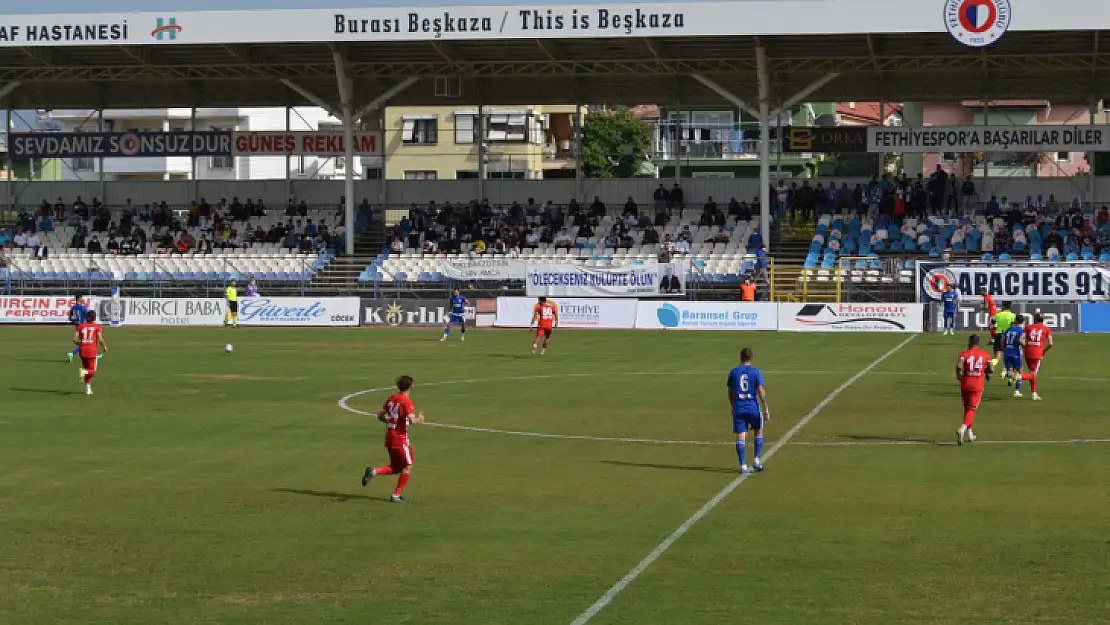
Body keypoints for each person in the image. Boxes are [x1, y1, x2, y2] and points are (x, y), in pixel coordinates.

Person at [362, 375, 424, 503]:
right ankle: (396, 495)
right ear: (411, 386)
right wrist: (420, 419)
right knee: (408, 466)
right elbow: (412, 421)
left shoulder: (391, 398)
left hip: (389, 436)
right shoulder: (406, 401)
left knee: (396, 468)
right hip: (400, 438)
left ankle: (373, 472)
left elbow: (379, 415)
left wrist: (389, 420)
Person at [726, 347, 769, 474]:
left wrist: (733, 406)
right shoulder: (756, 372)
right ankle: (756, 460)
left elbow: (730, 391)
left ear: (741, 357)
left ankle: (743, 465)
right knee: (758, 431)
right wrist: (766, 408)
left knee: (741, 435)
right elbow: (761, 391)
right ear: (752, 358)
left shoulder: (733, 372)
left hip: (739, 407)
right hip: (753, 407)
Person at [956, 334, 993, 445]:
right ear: (978, 343)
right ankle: (962, 429)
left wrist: (959, 376)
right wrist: (986, 371)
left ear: (969, 342)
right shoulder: (985, 355)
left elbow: (959, 366)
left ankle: (970, 434)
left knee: (967, 408)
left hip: (965, 383)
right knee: (972, 409)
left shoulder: (964, 354)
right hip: (977, 384)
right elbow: (991, 369)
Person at [1018, 312, 1053, 401]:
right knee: (1033, 374)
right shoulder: (1046, 329)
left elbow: (1020, 339)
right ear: (1043, 320)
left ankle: (1034, 394)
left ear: (1035, 319)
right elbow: (1050, 343)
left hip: (1028, 352)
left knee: (1032, 373)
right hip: (1037, 354)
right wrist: (1044, 351)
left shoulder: (1028, 327)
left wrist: (1025, 346)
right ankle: (1018, 377)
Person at [74, 310, 108, 396]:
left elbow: (75, 339)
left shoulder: (80, 326)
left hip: (82, 350)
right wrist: (104, 346)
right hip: (91, 350)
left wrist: (81, 344)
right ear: (94, 318)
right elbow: (100, 339)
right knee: (92, 371)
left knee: (86, 369)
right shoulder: (97, 327)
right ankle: (84, 373)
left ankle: (88, 389)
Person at [1002, 316, 1025, 397]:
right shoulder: (1021, 330)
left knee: (1011, 371)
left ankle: (1008, 373)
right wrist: (1026, 346)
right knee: (1020, 372)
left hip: (1007, 352)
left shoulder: (1009, 329)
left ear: (1015, 321)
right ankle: (1017, 391)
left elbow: (1003, 340)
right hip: (1016, 353)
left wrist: (1004, 348)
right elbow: (1021, 341)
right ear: (1022, 322)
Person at [991, 302, 1017, 373]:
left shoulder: (998, 315)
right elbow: (1014, 326)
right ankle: (1005, 371)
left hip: (999, 336)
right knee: (1010, 356)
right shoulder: (1013, 316)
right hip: (1009, 337)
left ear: (1004, 306)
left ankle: (992, 364)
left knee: (997, 356)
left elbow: (991, 325)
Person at [67, 297, 89, 362]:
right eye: (82, 298)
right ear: (80, 299)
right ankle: (72, 353)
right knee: (85, 342)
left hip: (77, 326)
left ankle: (92, 355)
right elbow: (89, 316)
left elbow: (70, 318)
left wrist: (75, 321)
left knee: (85, 342)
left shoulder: (73, 308)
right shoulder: (83, 308)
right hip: (83, 327)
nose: (83, 299)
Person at [980, 288, 998, 365]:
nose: (980, 292)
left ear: (984, 291)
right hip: (994, 313)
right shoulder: (989, 296)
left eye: (981, 291)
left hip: (992, 314)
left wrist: (981, 307)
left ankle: (994, 340)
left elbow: (986, 307)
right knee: (991, 327)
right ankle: (993, 340)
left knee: (991, 327)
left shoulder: (986, 297)